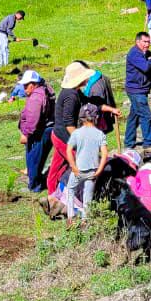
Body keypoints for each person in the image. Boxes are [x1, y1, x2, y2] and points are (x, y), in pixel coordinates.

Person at [49, 62, 93, 199]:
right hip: (64, 137)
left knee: (57, 167)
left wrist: (109, 109)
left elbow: (90, 102)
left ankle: (52, 195)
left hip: (59, 135)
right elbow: (68, 123)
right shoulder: (71, 96)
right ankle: (75, 198)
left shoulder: (76, 92)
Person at [65, 105, 108, 224]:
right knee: (87, 195)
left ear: (80, 118)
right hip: (93, 171)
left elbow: (68, 150)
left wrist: (73, 166)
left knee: (70, 189)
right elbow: (104, 154)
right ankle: (85, 221)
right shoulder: (100, 134)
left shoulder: (77, 133)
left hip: (78, 170)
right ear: (96, 117)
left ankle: (71, 217)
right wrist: (99, 170)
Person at [17, 70, 54, 194]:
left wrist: (26, 134)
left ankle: (34, 187)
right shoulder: (44, 89)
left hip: (38, 132)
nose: (24, 88)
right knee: (38, 159)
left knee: (33, 159)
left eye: (26, 85)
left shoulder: (36, 97)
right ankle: (36, 183)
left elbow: (33, 119)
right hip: (46, 130)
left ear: (33, 84)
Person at [124, 32, 151, 150]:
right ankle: (148, 144)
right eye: (145, 42)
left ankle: (128, 142)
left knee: (135, 116)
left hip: (142, 89)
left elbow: (148, 70)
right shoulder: (134, 54)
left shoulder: (147, 53)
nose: (147, 45)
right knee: (146, 116)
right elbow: (145, 67)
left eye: (149, 42)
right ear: (138, 42)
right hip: (136, 90)